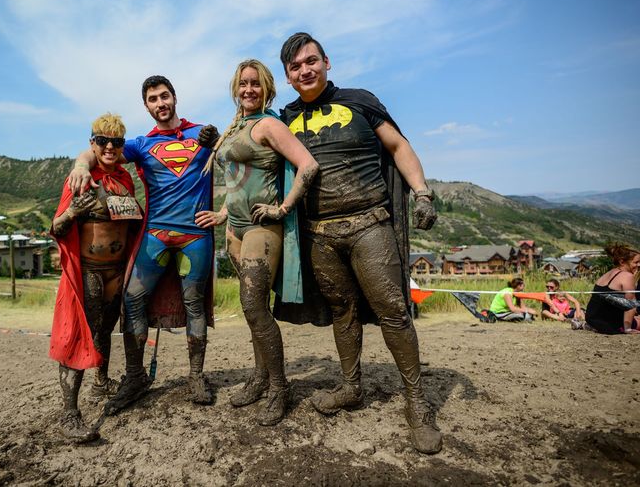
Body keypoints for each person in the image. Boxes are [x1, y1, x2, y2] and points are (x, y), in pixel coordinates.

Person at [275, 32, 442, 454]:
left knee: (393, 311)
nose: (305, 70)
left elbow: (398, 146)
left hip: (370, 224)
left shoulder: (360, 101)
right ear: (288, 77)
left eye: (311, 61)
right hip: (319, 234)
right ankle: (351, 386)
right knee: (342, 311)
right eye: (296, 67)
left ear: (327, 62)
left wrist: (422, 193)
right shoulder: (285, 118)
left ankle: (417, 403)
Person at [69, 76, 217, 413]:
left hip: (196, 235)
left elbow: (239, 158)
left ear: (174, 97)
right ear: (147, 106)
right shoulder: (140, 144)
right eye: (153, 99)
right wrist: (80, 165)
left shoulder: (202, 134)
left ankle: (196, 376)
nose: (160, 103)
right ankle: (135, 376)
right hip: (155, 235)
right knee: (132, 298)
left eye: (164, 96)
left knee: (194, 304)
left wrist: (223, 210)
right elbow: (102, 149)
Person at [195, 59, 319, 426]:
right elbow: (238, 176)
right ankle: (260, 376)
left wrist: (283, 208)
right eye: (243, 83)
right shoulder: (236, 126)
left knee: (253, 305)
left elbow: (308, 165)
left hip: (262, 229)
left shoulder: (268, 125)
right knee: (254, 310)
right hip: (235, 229)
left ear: (267, 88)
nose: (249, 89)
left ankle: (280, 387)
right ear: (235, 88)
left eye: (255, 83)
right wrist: (223, 213)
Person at [48, 113, 142, 443]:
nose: (110, 147)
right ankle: (69, 414)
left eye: (116, 142)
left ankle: (101, 382)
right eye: (103, 141)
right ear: (93, 143)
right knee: (79, 334)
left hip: (117, 272)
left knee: (105, 330)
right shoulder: (80, 178)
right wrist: (73, 212)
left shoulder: (126, 179)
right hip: (88, 271)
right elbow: (56, 227)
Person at [585, 244, 640, 335]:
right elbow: (631, 305)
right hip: (609, 324)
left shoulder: (608, 273)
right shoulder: (627, 276)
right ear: (622, 262)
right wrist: (628, 329)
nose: (639, 265)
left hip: (592, 319)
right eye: (636, 262)